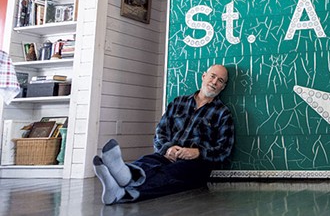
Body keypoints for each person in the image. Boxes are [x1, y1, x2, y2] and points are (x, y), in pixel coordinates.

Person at [93, 64, 234, 205]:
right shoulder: (178, 102)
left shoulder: (223, 114)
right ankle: (123, 179)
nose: (214, 82)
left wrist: (197, 152)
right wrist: (168, 148)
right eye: (212, 76)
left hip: (197, 164)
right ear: (204, 76)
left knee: (174, 172)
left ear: (223, 86)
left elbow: (224, 150)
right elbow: (160, 132)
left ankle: (122, 187)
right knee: (149, 161)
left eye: (220, 80)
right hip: (168, 154)